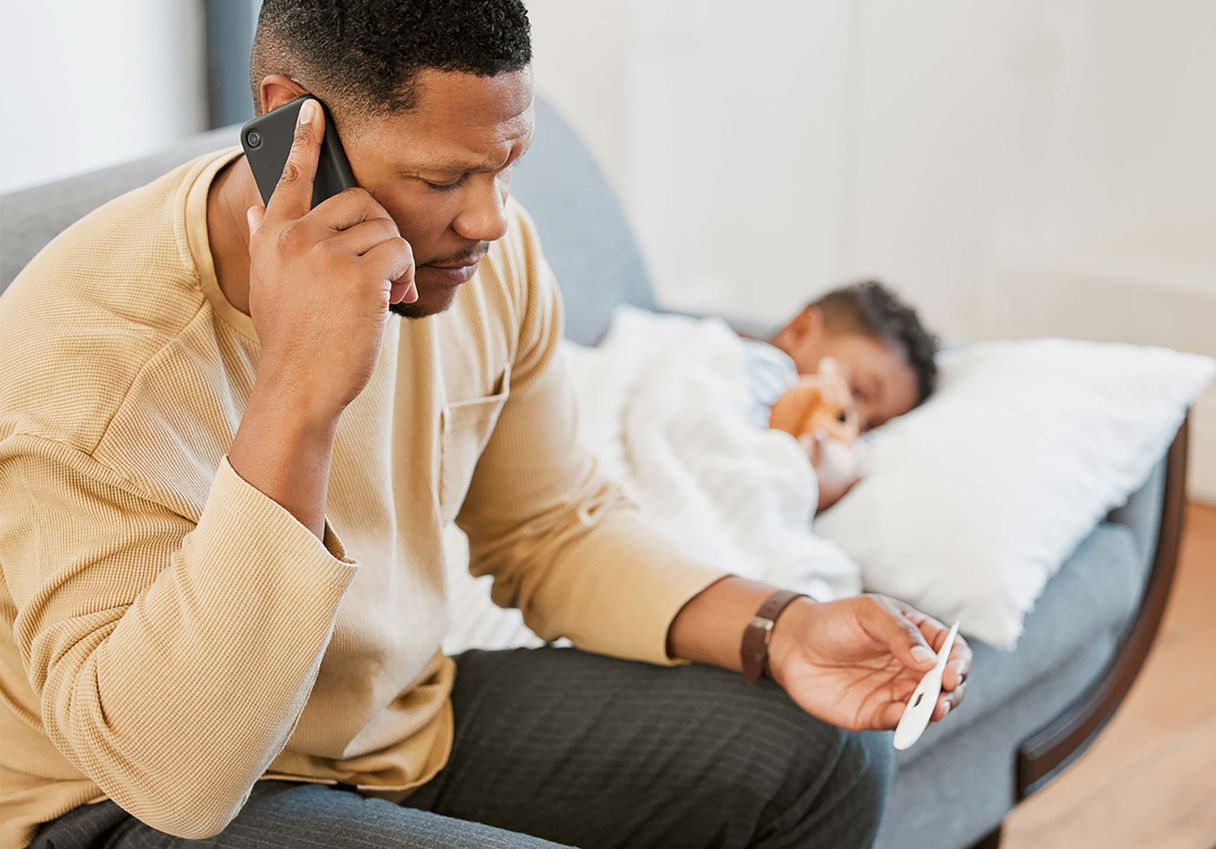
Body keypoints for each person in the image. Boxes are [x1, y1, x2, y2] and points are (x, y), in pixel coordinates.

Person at [0, 2, 971, 848]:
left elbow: (552, 525)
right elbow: (174, 775)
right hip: (121, 803)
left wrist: (783, 627)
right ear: (291, 124)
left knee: (820, 756)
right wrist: (297, 398)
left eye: (503, 168)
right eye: (440, 180)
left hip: (381, 728)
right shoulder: (86, 358)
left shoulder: (472, 262)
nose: (491, 222)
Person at [741, 280, 941, 512]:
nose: (852, 425)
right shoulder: (747, 369)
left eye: (869, 427)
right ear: (800, 332)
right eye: (858, 392)